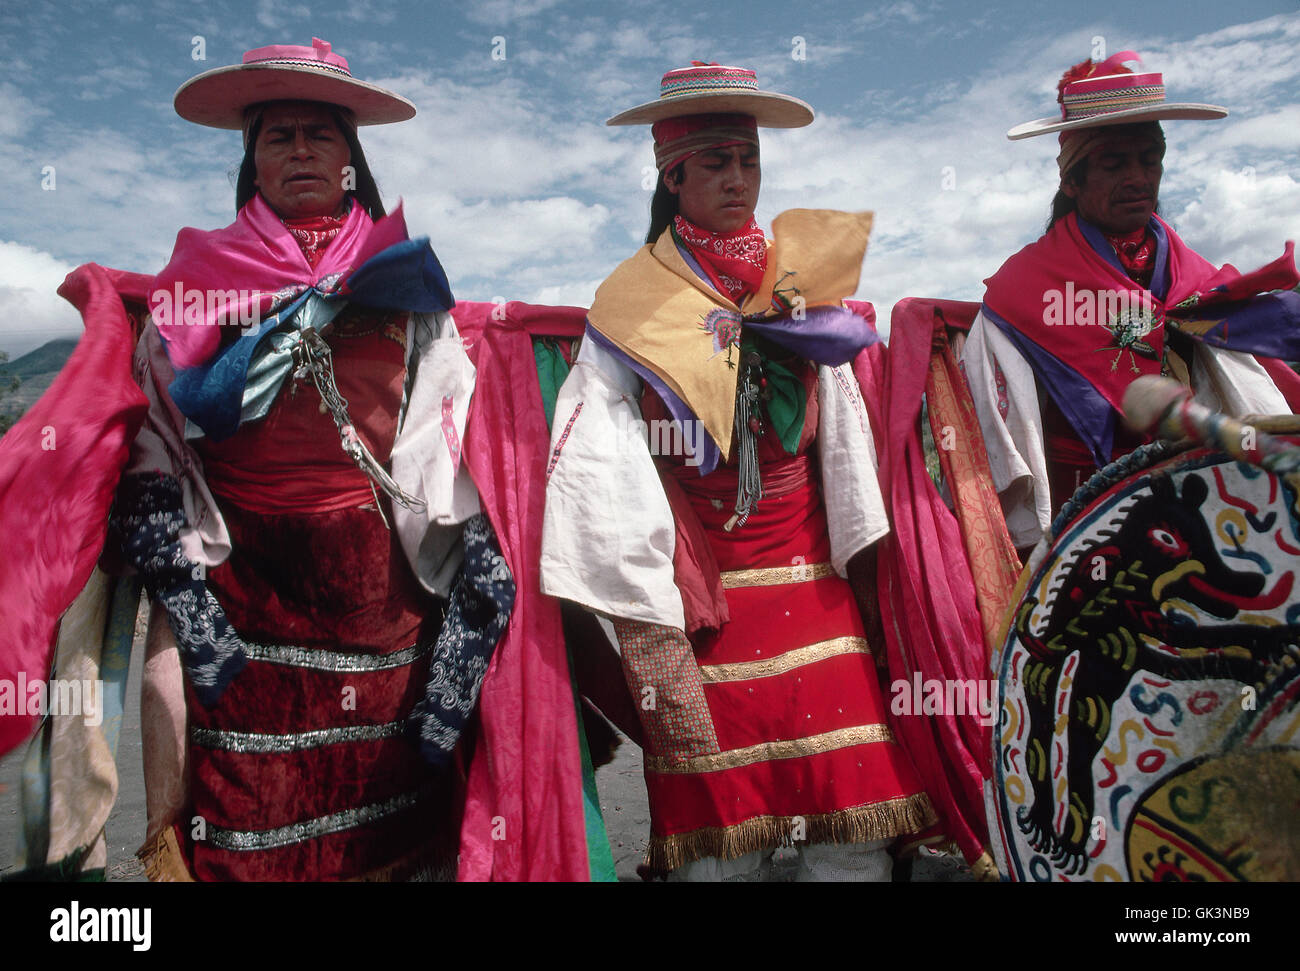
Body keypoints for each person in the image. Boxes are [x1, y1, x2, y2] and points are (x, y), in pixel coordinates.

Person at [117, 37, 510, 881]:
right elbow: (152, 429)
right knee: (246, 820)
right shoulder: (199, 283)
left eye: (318, 135)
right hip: (244, 595)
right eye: (276, 136)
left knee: (393, 831)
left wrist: (476, 554)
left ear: (349, 157)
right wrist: (182, 586)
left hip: (381, 591)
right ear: (251, 161)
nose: (298, 151)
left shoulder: (399, 280)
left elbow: (446, 426)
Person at [541, 63, 937, 881]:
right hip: (701, 596)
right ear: (671, 173)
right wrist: (650, 622)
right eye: (716, 162)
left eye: (748, 161)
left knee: (849, 823)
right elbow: (597, 467)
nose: (737, 178)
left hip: (813, 577)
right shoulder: (627, 308)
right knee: (721, 845)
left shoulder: (800, 281)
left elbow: (848, 442)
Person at [962, 50, 1299, 553]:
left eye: (1150, 159)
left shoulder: (1196, 278)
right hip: (1078, 520)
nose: (1139, 178)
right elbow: (1001, 431)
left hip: (1202, 506)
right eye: (1114, 163)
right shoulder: (1023, 291)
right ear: (1071, 181)